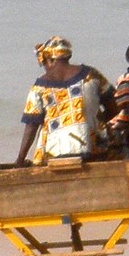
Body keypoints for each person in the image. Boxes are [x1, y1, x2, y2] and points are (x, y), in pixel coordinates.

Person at [15, 36, 118, 166]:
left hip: (55, 152)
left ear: (49, 59)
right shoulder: (91, 75)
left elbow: (31, 126)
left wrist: (20, 159)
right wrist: (93, 120)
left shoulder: (39, 87)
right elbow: (114, 108)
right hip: (93, 148)